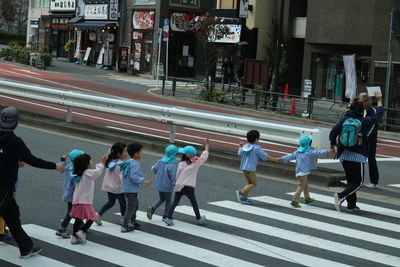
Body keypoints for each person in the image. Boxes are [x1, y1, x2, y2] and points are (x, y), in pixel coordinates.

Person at [0, 107, 65, 258]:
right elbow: (32, 160)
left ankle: (26, 247)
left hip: (7, 190)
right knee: (11, 217)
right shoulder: (14, 141)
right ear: (16, 122)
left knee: (13, 218)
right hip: (3, 188)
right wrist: (55, 166)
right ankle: (26, 247)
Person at [329, 92, 383, 212]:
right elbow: (378, 115)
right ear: (360, 111)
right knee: (358, 183)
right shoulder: (364, 122)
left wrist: (333, 144)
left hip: (343, 154)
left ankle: (351, 205)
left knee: (350, 181)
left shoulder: (344, 119)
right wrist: (379, 101)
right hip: (357, 155)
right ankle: (340, 196)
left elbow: (333, 131)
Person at [272, 136, 330, 207]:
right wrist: (329, 151)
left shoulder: (298, 152)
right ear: (309, 143)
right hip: (303, 172)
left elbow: (290, 156)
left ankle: (307, 198)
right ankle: (295, 200)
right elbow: (319, 153)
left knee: (305, 184)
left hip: (299, 170)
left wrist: (281, 159)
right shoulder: (310, 152)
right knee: (301, 185)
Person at [165, 139, 209, 226]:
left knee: (175, 202)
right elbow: (204, 156)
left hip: (180, 186)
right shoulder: (196, 162)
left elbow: (177, 175)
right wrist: (207, 145)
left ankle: (168, 218)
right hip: (189, 187)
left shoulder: (181, 164)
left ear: (185, 155)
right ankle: (199, 218)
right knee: (194, 203)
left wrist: (176, 182)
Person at [69, 153, 107, 244]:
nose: (91, 161)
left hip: (77, 200)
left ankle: (75, 237)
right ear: (86, 163)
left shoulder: (77, 172)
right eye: (90, 160)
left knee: (78, 219)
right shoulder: (87, 172)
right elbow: (96, 173)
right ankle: (82, 232)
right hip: (85, 200)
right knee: (92, 217)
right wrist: (101, 163)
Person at [119, 143, 151, 233]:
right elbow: (133, 176)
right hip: (131, 189)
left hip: (127, 188)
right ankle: (124, 225)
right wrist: (143, 180)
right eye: (141, 152)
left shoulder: (129, 162)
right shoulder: (135, 164)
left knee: (135, 205)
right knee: (131, 207)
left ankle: (132, 221)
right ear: (136, 154)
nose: (142, 153)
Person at [95, 143, 128, 226]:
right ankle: (123, 219)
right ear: (119, 154)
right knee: (123, 203)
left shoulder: (110, 162)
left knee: (110, 202)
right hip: (118, 188)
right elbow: (121, 177)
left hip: (110, 187)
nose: (126, 153)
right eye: (125, 151)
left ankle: (98, 215)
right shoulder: (121, 164)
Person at [55, 149, 84, 239]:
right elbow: (77, 185)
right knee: (71, 212)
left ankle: (80, 223)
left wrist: (62, 160)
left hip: (68, 193)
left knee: (73, 210)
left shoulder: (69, 167)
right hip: (73, 196)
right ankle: (62, 228)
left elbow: (61, 168)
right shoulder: (76, 171)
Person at [236, 130, 269, 204]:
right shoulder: (257, 148)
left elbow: (239, 154)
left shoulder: (245, 146)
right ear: (257, 139)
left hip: (243, 167)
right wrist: (275, 159)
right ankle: (241, 192)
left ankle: (244, 198)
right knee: (254, 183)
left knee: (248, 183)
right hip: (250, 169)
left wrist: (240, 147)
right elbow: (264, 156)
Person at [147, 144, 178, 221]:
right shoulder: (172, 164)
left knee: (161, 199)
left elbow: (154, 169)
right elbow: (173, 176)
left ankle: (152, 208)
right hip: (167, 186)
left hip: (159, 184)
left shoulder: (160, 161)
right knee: (168, 200)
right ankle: (166, 216)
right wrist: (175, 184)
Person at [358, 92, 380, 188]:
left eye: (362, 102)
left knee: (371, 159)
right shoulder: (361, 109)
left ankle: (374, 181)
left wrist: (364, 135)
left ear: (368, 101)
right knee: (357, 157)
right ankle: (356, 179)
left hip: (369, 139)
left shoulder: (373, 110)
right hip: (361, 136)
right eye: (360, 102)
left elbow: (373, 126)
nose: (361, 104)